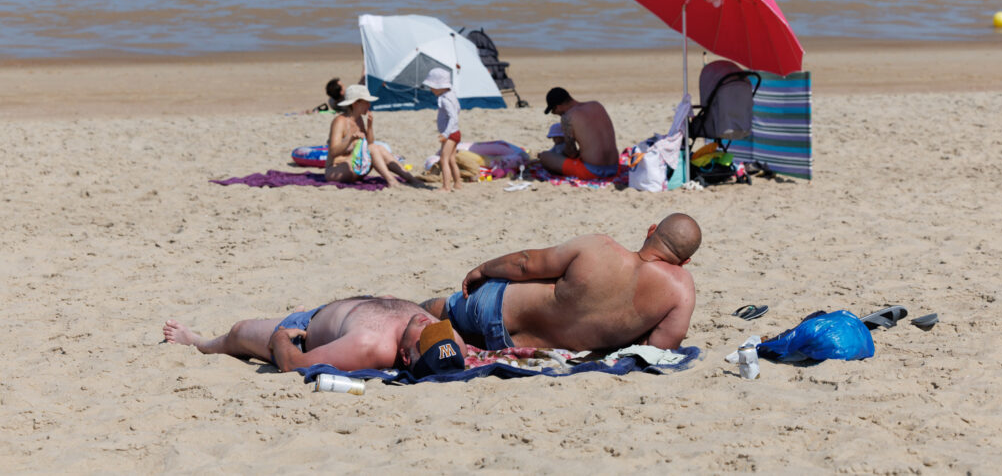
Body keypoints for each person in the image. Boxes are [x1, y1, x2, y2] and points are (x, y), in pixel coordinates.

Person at [422, 214, 701, 352]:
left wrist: (483, 269)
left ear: (651, 230)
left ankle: (394, 311)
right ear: (685, 261)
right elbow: (659, 349)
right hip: (515, 346)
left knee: (435, 311)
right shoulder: (680, 290)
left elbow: (525, 263)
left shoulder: (600, 247)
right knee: (454, 338)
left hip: (495, 308)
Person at [163, 296, 466, 377]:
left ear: (403, 355)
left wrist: (282, 337)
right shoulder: (451, 341)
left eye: (425, 334)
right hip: (353, 309)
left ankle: (198, 342)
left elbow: (293, 364)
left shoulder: (368, 346)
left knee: (239, 331)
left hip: (304, 327)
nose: (429, 323)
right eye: (436, 331)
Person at [324, 84, 423, 188]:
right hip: (336, 170)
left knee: (379, 148)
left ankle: (409, 177)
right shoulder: (340, 121)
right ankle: (391, 180)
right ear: (355, 103)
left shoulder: (358, 120)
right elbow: (334, 152)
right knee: (372, 149)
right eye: (366, 102)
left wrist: (369, 127)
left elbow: (369, 144)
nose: (369, 105)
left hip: (355, 166)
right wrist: (349, 138)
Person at [538, 87, 618, 180]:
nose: (554, 113)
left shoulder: (567, 117)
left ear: (558, 106)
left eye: (553, 110)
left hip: (592, 172)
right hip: (615, 168)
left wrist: (559, 152)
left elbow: (571, 153)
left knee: (545, 156)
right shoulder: (596, 105)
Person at [422, 67, 461, 192]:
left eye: (432, 87)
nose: (431, 89)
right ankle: (458, 183)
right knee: (451, 160)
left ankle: (446, 186)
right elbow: (458, 110)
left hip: (450, 134)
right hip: (455, 132)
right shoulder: (451, 95)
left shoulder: (445, 99)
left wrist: (445, 133)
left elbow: (453, 117)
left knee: (444, 159)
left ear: (440, 86)